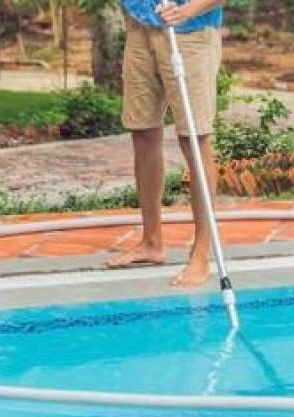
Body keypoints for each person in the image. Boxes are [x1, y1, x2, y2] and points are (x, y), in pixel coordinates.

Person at [107, 0, 224, 287]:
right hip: (140, 27)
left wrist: (188, 10)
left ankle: (201, 253)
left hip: (189, 32)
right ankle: (151, 242)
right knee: (143, 133)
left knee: (194, 140)